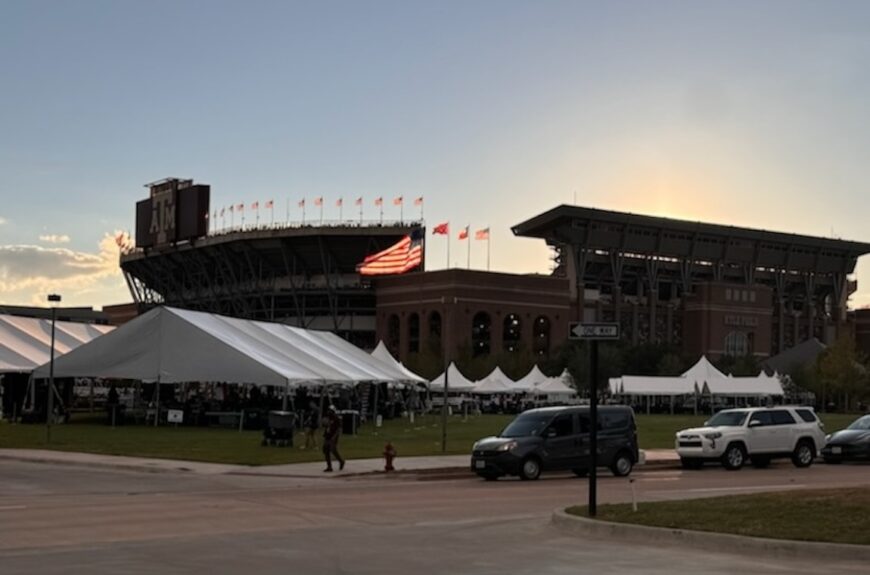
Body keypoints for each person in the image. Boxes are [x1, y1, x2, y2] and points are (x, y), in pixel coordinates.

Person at [322, 406, 345, 472]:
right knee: (326, 450)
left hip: (333, 437)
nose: (328, 412)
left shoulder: (336, 418)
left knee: (333, 450)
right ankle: (329, 467)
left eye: (330, 410)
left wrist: (334, 437)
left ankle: (341, 461)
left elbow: (339, 429)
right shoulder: (328, 418)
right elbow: (326, 427)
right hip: (327, 436)